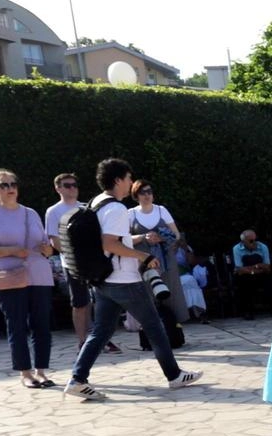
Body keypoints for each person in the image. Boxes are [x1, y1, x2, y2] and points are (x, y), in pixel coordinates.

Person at [66, 158, 202, 401]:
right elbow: (110, 243)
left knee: (101, 331)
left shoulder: (96, 202)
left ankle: (77, 379)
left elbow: (111, 241)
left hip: (103, 279)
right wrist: (143, 256)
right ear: (118, 180)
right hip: (123, 278)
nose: (131, 183)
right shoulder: (117, 209)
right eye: (128, 178)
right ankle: (174, 376)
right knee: (154, 326)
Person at [0, 169, 56, 388]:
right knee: (17, 325)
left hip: (39, 273)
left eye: (13, 184)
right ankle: (25, 373)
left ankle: (41, 371)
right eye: (4, 185)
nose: (10, 188)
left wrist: (48, 249)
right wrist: (12, 250)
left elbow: (47, 246)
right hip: (9, 276)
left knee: (42, 324)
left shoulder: (30, 213)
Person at [45, 172, 115, 351]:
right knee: (80, 302)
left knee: (100, 299)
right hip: (72, 264)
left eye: (74, 185)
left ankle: (102, 337)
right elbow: (54, 240)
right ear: (58, 188)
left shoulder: (86, 208)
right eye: (67, 185)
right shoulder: (53, 211)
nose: (72, 188)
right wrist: (75, 256)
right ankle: (83, 340)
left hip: (93, 262)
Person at [128, 179, 190, 324]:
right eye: (143, 192)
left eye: (149, 191)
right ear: (136, 195)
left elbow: (177, 235)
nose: (147, 195)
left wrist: (161, 237)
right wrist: (144, 237)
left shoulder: (161, 210)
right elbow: (124, 239)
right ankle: (150, 325)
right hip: (144, 259)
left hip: (166, 257)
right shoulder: (131, 214)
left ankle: (174, 324)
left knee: (171, 290)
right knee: (147, 291)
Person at [232, 229, 272, 319]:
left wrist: (255, 268)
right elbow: (239, 269)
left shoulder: (263, 247)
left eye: (255, 240)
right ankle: (247, 311)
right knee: (244, 282)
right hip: (246, 276)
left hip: (261, 274)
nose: (254, 242)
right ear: (243, 241)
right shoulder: (237, 249)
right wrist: (257, 267)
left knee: (271, 281)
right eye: (251, 241)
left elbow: (267, 266)